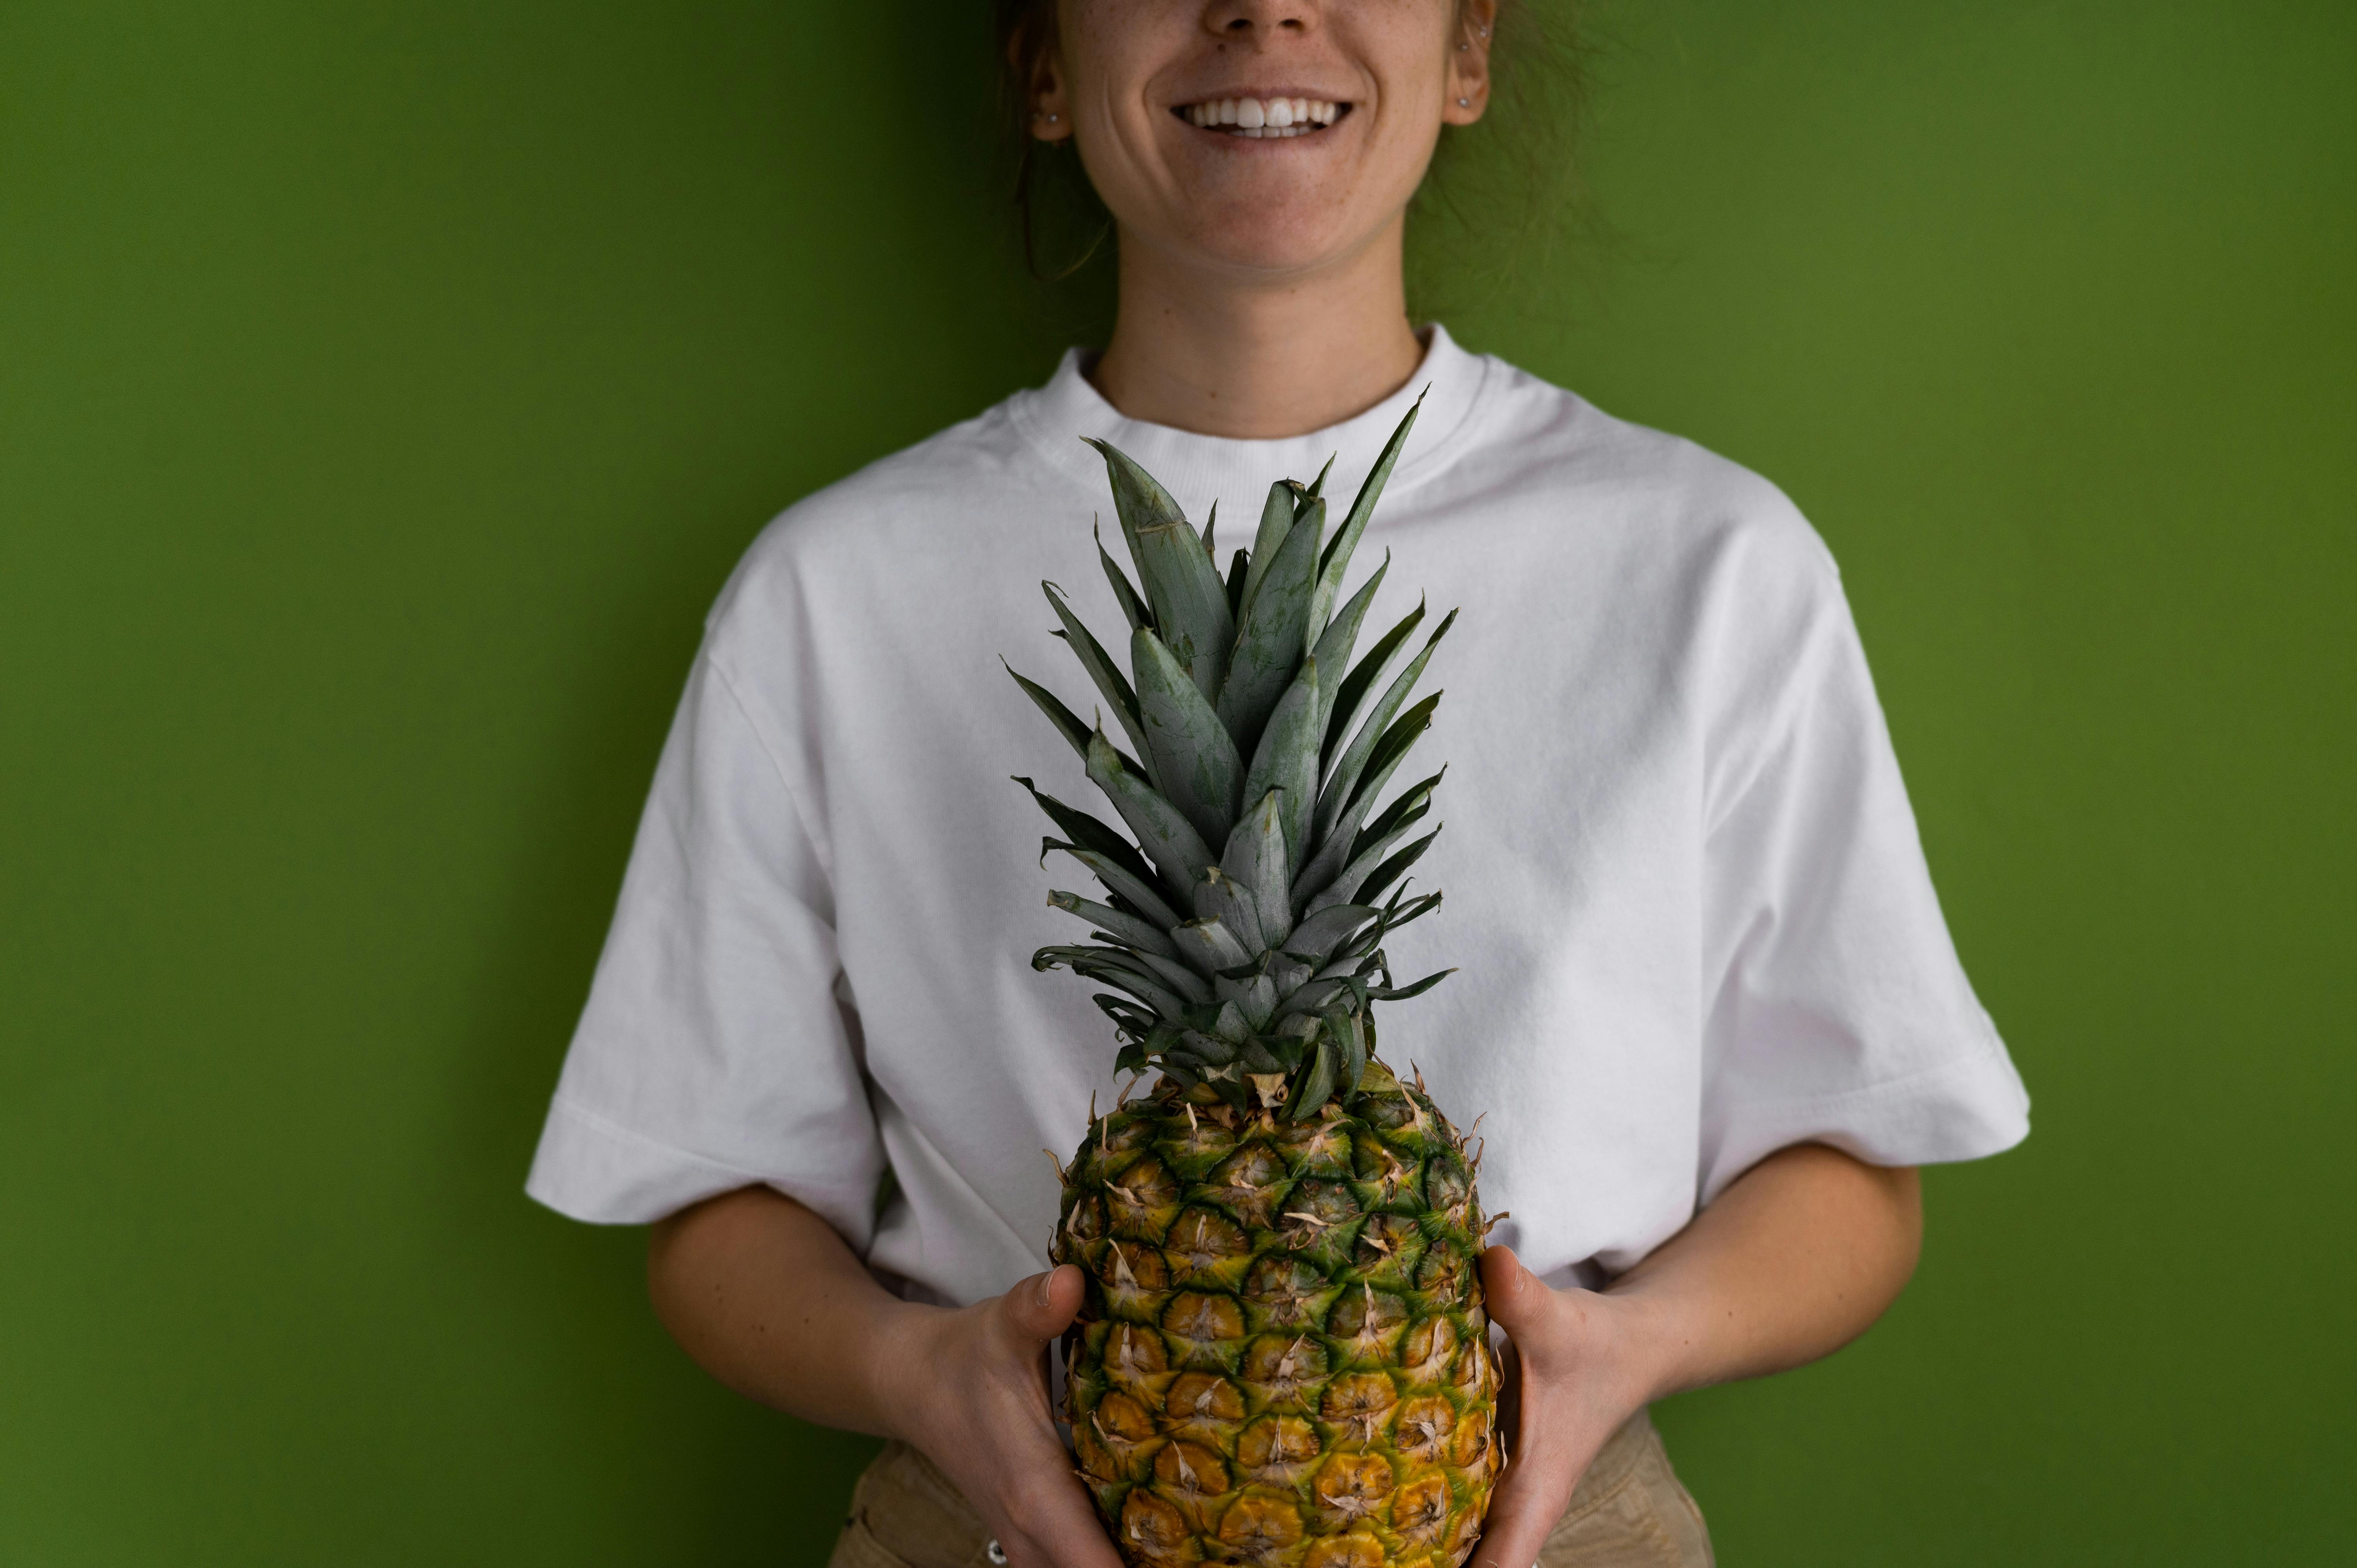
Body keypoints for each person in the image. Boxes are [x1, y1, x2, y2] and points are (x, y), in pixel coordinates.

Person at [523, 3, 2031, 1565]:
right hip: (995, 1521)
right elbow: (715, 1196)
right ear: (1045, 67)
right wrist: (917, 1370)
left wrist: (1634, 1344)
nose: (1263, 7)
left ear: (1469, 53)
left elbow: (1851, 1154)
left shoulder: (1712, 562)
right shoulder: (834, 589)